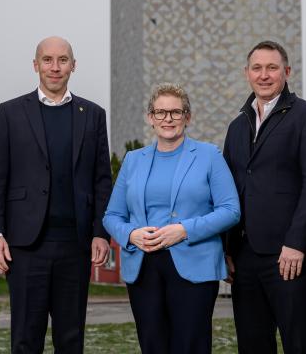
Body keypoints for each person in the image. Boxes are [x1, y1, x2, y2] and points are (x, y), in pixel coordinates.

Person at [0, 36, 112, 354]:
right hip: (25, 246)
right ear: (36, 65)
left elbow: (101, 180)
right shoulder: (11, 112)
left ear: (73, 65)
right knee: (26, 339)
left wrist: (101, 233)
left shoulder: (93, 115)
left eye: (63, 60)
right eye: (48, 60)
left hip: (76, 245)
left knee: (70, 339)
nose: (55, 67)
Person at [103, 84, 240, 354]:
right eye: (161, 112)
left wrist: (184, 230)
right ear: (150, 117)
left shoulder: (208, 155)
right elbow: (112, 215)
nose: (168, 119)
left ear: (187, 117)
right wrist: (131, 235)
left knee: (190, 346)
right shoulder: (133, 160)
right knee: (152, 346)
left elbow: (230, 210)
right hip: (144, 266)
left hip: (194, 264)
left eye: (176, 112)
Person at [222, 40, 306, 354]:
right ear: (247, 73)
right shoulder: (236, 127)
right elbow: (230, 191)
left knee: (298, 343)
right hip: (244, 257)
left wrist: (296, 243)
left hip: (290, 256)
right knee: (252, 345)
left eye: (272, 67)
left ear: (286, 71)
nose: (264, 75)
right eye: (257, 68)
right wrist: (227, 249)